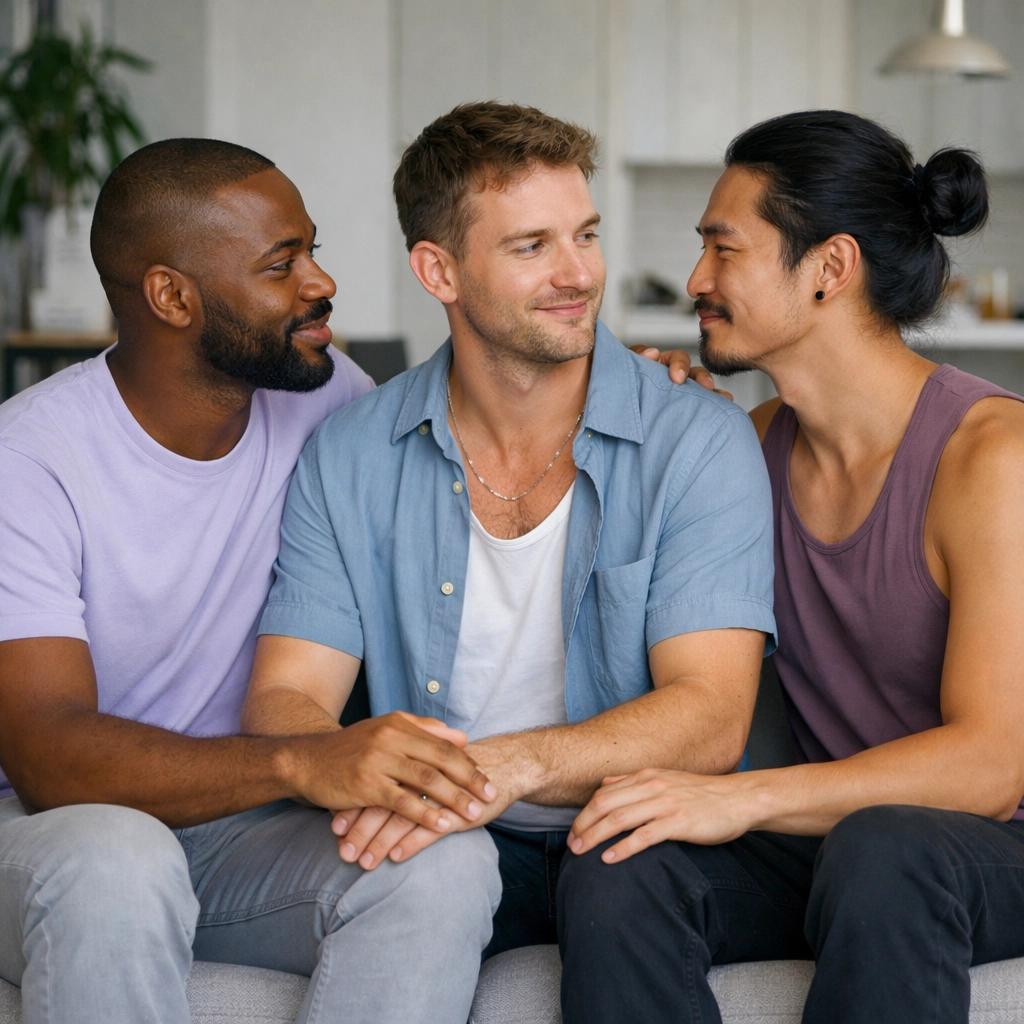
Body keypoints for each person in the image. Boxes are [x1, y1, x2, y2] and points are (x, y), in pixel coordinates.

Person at [243, 98, 776, 998]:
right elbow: (286, 698)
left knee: (616, 880)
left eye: (586, 235)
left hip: (637, 842)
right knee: (423, 882)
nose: (579, 274)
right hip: (445, 839)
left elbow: (712, 719)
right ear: (438, 270)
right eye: (532, 246)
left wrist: (503, 768)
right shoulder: (351, 452)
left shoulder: (696, 438)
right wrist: (364, 768)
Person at [0, 137, 514, 1024]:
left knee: (442, 860)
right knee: (118, 857)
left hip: (239, 834)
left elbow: (492, 436)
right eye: (282, 265)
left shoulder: (327, 397)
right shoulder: (30, 461)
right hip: (56, 837)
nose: (321, 282)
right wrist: (299, 759)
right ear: (172, 297)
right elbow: (47, 756)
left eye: (312, 251)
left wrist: (640, 394)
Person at [558, 110, 1024, 1024]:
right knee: (622, 852)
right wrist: (670, 426)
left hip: (981, 845)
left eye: (724, 249)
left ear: (829, 269)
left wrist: (741, 799)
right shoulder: (751, 445)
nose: (697, 279)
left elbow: (992, 767)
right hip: (847, 840)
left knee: (885, 848)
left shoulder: (992, 457)